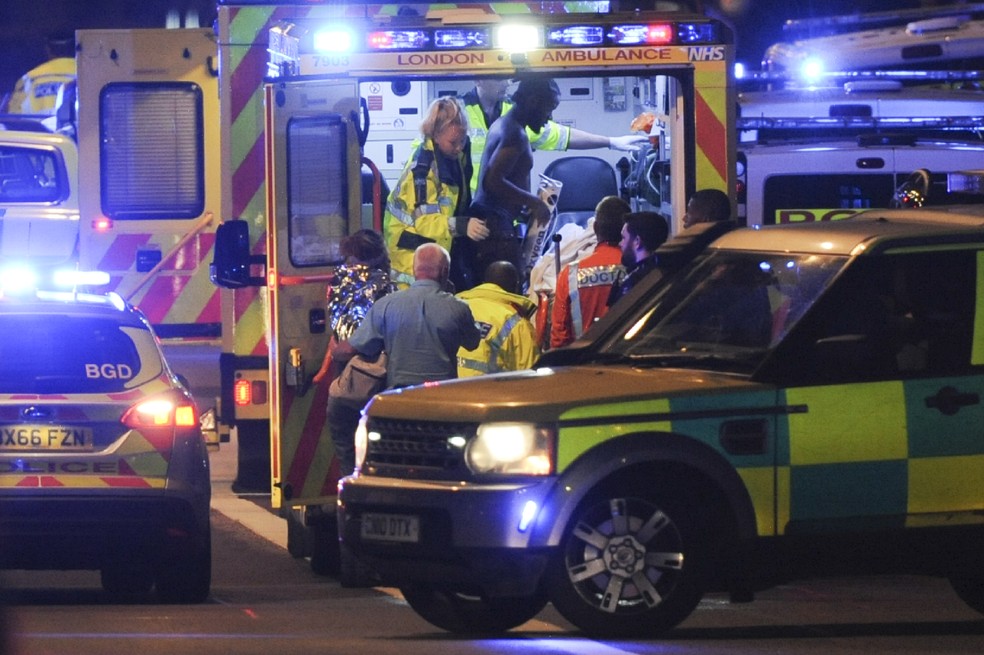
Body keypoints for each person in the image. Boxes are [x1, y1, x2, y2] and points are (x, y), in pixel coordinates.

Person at [334, 243, 481, 391]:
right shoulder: (458, 307)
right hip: (443, 398)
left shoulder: (385, 305)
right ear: (445, 271)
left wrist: (334, 350)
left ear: (414, 270)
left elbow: (348, 350)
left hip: (400, 399)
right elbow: (472, 343)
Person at [461, 77, 647, 194]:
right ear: (478, 79)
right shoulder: (460, 112)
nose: (506, 83)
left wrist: (611, 142)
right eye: (499, 77)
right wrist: (532, 203)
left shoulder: (513, 114)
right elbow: (494, 181)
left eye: (507, 78)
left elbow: (562, 135)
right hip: (471, 215)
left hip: (507, 215)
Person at [312, 230, 396, 476]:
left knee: (347, 451)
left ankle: (350, 497)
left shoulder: (341, 284)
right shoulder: (389, 290)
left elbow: (342, 344)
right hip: (380, 383)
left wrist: (337, 351)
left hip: (348, 384)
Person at [468, 77, 562, 284]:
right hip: (495, 230)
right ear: (534, 101)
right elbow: (492, 181)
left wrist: (522, 203)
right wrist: (534, 202)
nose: (549, 117)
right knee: (511, 290)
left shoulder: (505, 125)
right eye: (549, 108)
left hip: (495, 225)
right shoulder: (513, 134)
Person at [383, 97, 484, 288]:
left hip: (435, 249)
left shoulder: (453, 157)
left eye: (462, 140)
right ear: (435, 135)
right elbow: (423, 221)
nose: (459, 147)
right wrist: (462, 226)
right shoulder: (422, 171)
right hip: (412, 261)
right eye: (453, 142)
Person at [550, 196, 630, 349]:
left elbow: (559, 338)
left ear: (595, 228)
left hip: (583, 363)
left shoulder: (570, 274)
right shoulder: (638, 268)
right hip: (627, 362)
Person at [456, 261, 539, 377]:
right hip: (491, 391)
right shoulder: (518, 323)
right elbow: (530, 374)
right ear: (516, 287)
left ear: (484, 283)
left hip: (448, 388)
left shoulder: (456, 307)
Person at [5, 32, 76, 116]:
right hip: (78, 128)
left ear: (48, 49)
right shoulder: (88, 74)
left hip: (35, 129)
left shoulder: (29, 78)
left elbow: (14, 115)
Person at [608, 211, 670, 307]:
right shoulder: (666, 273)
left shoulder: (635, 285)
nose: (620, 243)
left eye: (623, 238)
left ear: (637, 241)